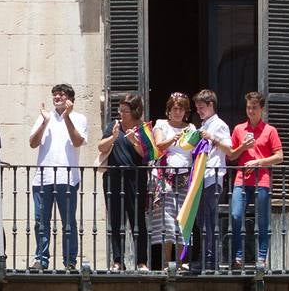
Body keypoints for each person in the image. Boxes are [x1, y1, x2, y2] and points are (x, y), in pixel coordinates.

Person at [28, 83, 88, 271]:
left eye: (61, 95)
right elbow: (33, 143)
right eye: (55, 94)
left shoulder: (79, 118)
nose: (57, 97)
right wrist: (45, 122)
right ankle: (41, 259)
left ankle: (70, 262)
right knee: (41, 221)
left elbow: (78, 142)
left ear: (70, 98)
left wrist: (67, 117)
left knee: (68, 222)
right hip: (43, 179)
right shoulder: (44, 117)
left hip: (68, 179)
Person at [226, 91, 283, 269]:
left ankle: (261, 258)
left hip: (262, 179)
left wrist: (259, 162)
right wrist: (243, 147)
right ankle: (238, 257)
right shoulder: (238, 129)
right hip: (242, 179)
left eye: (254, 108)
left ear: (262, 109)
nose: (251, 111)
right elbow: (231, 156)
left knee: (263, 220)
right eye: (248, 107)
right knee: (236, 215)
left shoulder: (269, 130)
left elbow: (279, 156)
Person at [96, 94, 149, 271]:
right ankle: (117, 261)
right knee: (116, 220)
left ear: (135, 111)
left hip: (135, 179)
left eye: (125, 110)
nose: (122, 113)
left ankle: (142, 261)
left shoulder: (143, 128)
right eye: (121, 110)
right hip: (113, 178)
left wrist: (134, 140)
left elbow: (147, 154)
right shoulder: (113, 125)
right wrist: (113, 137)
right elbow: (101, 146)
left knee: (138, 220)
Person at [147, 92, 194, 268]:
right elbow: (158, 145)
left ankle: (181, 262)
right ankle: (167, 263)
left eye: (181, 108)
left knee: (183, 219)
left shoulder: (191, 128)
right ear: (169, 110)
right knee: (167, 220)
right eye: (175, 108)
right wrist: (173, 139)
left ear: (186, 111)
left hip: (185, 178)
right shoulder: (161, 124)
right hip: (165, 178)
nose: (178, 112)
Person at [191, 89, 233, 272]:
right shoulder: (203, 125)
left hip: (213, 178)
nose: (199, 111)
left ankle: (211, 260)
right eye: (197, 108)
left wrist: (213, 138)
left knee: (210, 220)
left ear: (211, 105)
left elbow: (229, 148)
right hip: (201, 178)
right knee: (202, 220)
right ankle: (204, 257)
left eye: (201, 108)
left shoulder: (219, 125)